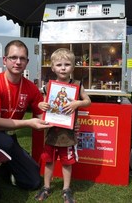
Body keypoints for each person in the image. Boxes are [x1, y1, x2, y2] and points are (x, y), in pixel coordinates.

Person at [0, 40, 52, 200]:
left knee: (33, 181)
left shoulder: (31, 88)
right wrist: (28, 123)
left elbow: (41, 117)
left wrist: (62, 122)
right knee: (2, 141)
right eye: (13, 57)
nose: (18, 62)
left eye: (22, 58)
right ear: (4, 60)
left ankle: (3, 166)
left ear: (27, 62)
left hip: (8, 136)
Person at [35, 48, 91, 203]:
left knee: (67, 162)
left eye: (67, 64)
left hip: (68, 133)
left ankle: (66, 189)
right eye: (59, 64)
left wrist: (78, 102)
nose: (63, 67)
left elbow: (88, 101)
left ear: (73, 67)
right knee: (48, 160)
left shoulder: (77, 86)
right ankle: (46, 186)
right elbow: (43, 103)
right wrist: (42, 104)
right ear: (53, 68)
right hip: (51, 131)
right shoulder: (48, 86)